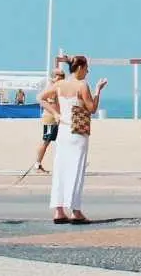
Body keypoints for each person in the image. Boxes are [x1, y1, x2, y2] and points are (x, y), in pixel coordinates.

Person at [42, 55, 106, 224]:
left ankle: (58, 210)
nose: (87, 72)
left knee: (60, 168)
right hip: (78, 131)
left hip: (63, 130)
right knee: (76, 170)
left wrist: (55, 113)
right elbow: (92, 108)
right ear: (79, 68)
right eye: (86, 68)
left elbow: (40, 97)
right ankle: (75, 211)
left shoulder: (60, 84)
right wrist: (98, 91)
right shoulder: (82, 85)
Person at [35, 63, 65, 173]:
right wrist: (55, 113)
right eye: (60, 76)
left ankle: (63, 164)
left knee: (62, 141)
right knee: (46, 141)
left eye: (63, 76)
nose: (62, 78)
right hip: (50, 119)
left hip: (58, 119)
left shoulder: (59, 87)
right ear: (54, 77)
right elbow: (44, 100)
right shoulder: (51, 87)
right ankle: (37, 164)